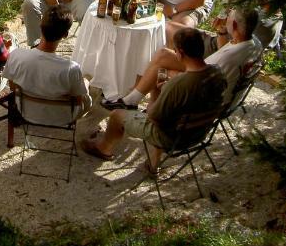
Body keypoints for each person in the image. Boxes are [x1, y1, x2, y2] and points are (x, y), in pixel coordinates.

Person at [82, 27, 226, 164]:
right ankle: (153, 163)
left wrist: (159, 94)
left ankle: (104, 149)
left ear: (180, 53)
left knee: (116, 115)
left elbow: (154, 118)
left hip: (171, 137)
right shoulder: (217, 73)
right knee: (160, 81)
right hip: (201, 131)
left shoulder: (178, 85)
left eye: (175, 51)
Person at [103, 6, 260, 111]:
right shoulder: (253, 43)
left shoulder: (228, 58)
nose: (225, 22)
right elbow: (222, 49)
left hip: (206, 96)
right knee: (163, 55)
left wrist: (170, 74)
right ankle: (143, 103)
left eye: (228, 20)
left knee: (161, 69)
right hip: (225, 94)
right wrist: (221, 32)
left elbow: (199, 76)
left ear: (233, 25)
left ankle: (133, 103)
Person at [4, 5, 92, 124]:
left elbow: (13, 88)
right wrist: (85, 83)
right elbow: (77, 100)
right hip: (64, 117)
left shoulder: (16, 55)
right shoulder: (71, 68)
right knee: (87, 86)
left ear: (41, 27)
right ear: (65, 35)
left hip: (26, 112)